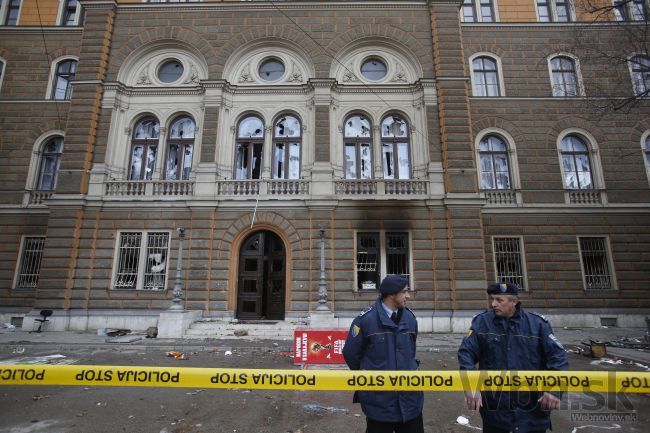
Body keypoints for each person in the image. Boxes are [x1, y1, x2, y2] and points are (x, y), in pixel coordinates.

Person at [457, 282, 569, 433]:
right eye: (492, 299)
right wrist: (471, 386)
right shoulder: (482, 323)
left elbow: (558, 357)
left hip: (531, 411)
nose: (493, 304)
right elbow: (466, 353)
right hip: (496, 410)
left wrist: (554, 389)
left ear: (514, 302)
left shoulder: (537, 325)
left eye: (499, 300)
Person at [343, 275, 424, 433]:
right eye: (404, 292)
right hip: (379, 405)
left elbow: (411, 353)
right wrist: (368, 379)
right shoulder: (366, 320)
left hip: (410, 403)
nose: (408, 296)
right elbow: (351, 354)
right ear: (392, 294)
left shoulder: (410, 318)